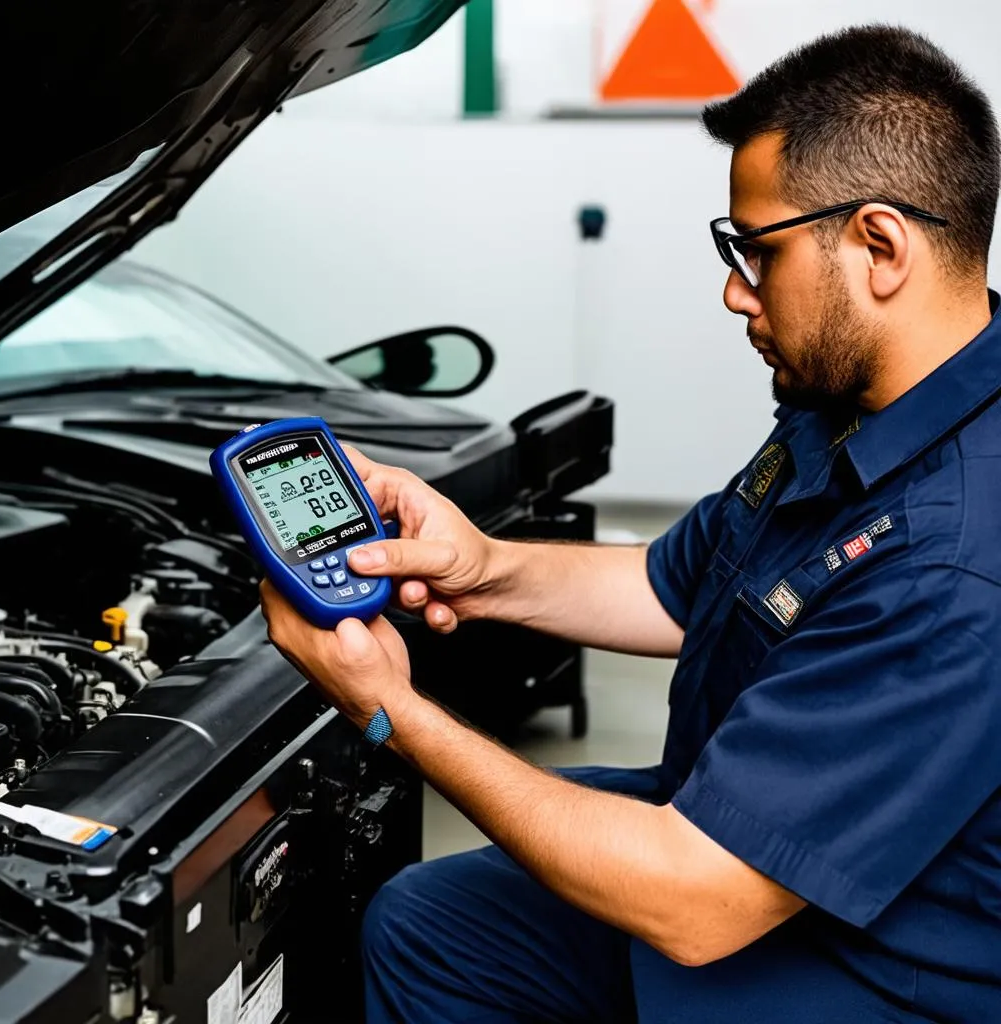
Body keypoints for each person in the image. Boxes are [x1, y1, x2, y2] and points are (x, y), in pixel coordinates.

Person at [261, 24, 1001, 1023]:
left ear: (877, 244)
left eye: (756, 250)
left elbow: (695, 905)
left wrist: (392, 710)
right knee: (427, 921)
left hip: (854, 971)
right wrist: (479, 566)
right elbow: (674, 582)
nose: (734, 290)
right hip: (740, 837)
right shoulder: (855, 408)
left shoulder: (955, 560)